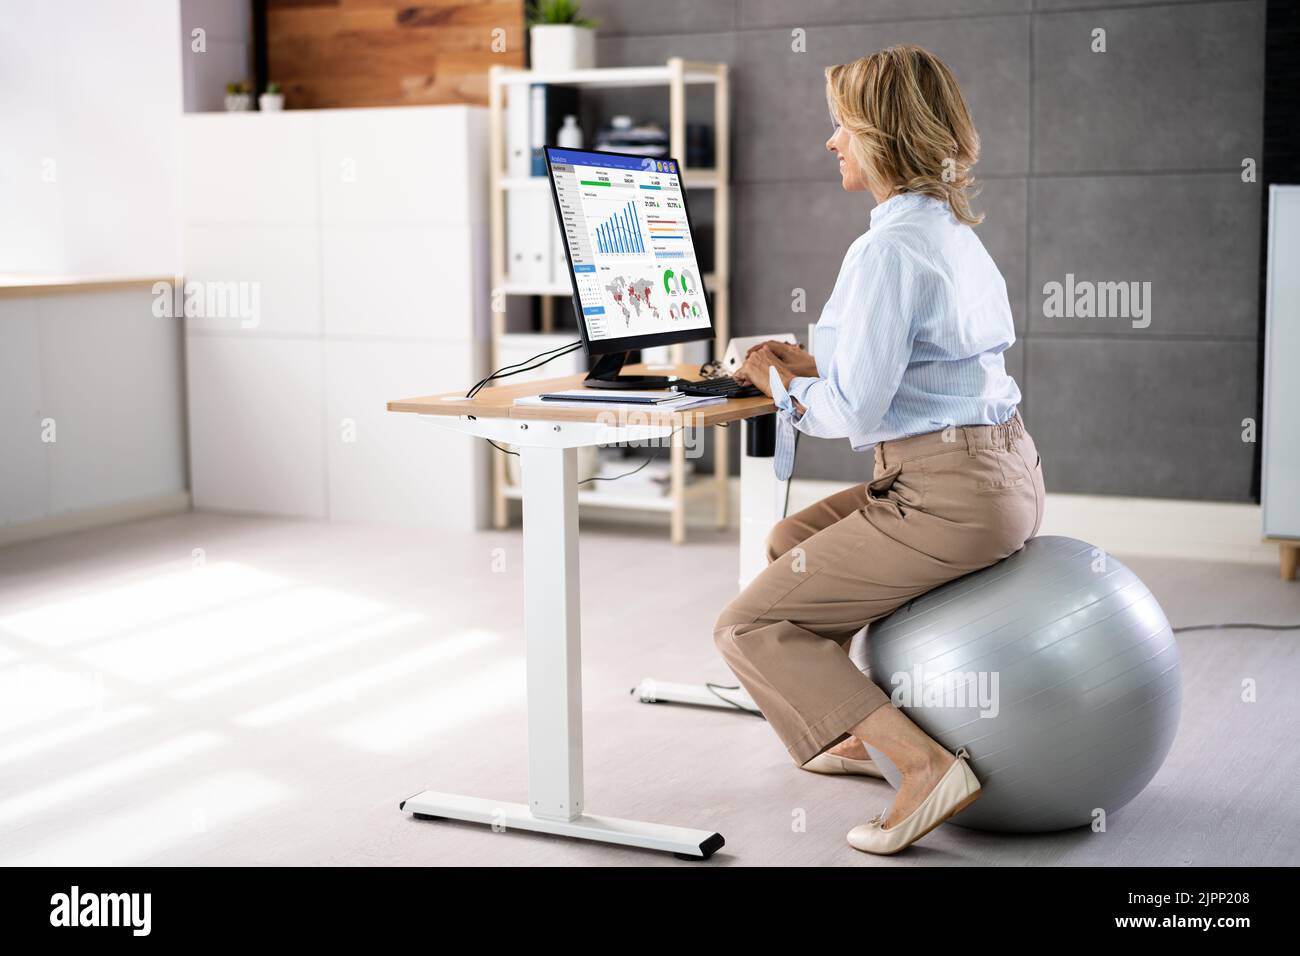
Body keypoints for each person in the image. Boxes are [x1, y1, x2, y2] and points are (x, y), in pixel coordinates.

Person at [719, 45, 1045, 855]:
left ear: (883, 136)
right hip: (1001, 470)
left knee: (747, 628)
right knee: (790, 544)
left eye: (842, 126)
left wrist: (775, 384)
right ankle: (854, 735)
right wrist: (807, 360)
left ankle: (923, 764)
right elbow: (924, 363)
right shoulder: (946, 231)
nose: (831, 142)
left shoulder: (886, 249)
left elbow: (852, 410)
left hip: (946, 491)